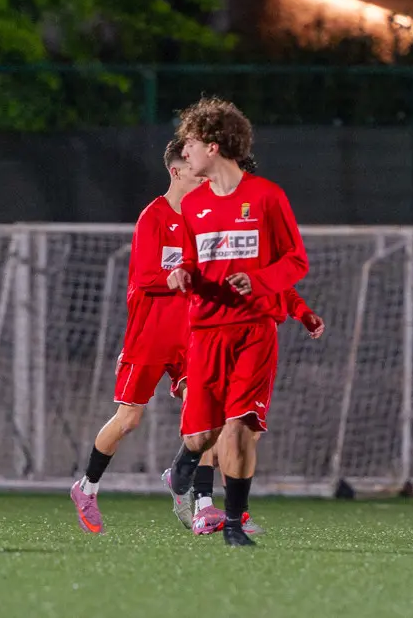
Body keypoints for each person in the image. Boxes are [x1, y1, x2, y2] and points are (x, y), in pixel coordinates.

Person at [165, 97, 309, 547]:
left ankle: (232, 524)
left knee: (240, 425)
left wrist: (262, 281)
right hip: (205, 330)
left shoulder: (267, 197)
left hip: (255, 328)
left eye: (189, 144)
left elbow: (296, 261)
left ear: (213, 145)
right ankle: (185, 461)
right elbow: (190, 261)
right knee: (203, 433)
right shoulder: (192, 206)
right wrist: (182, 274)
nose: (183, 153)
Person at [70, 138, 203, 534]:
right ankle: (87, 488)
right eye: (197, 171)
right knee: (128, 420)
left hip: (189, 336)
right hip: (149, 336)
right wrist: (177, 276)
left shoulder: (203, 219)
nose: (204, 178)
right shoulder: (154, 217)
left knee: (206, 416)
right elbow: (144, 277)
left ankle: (188, 486)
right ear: (176, 171)